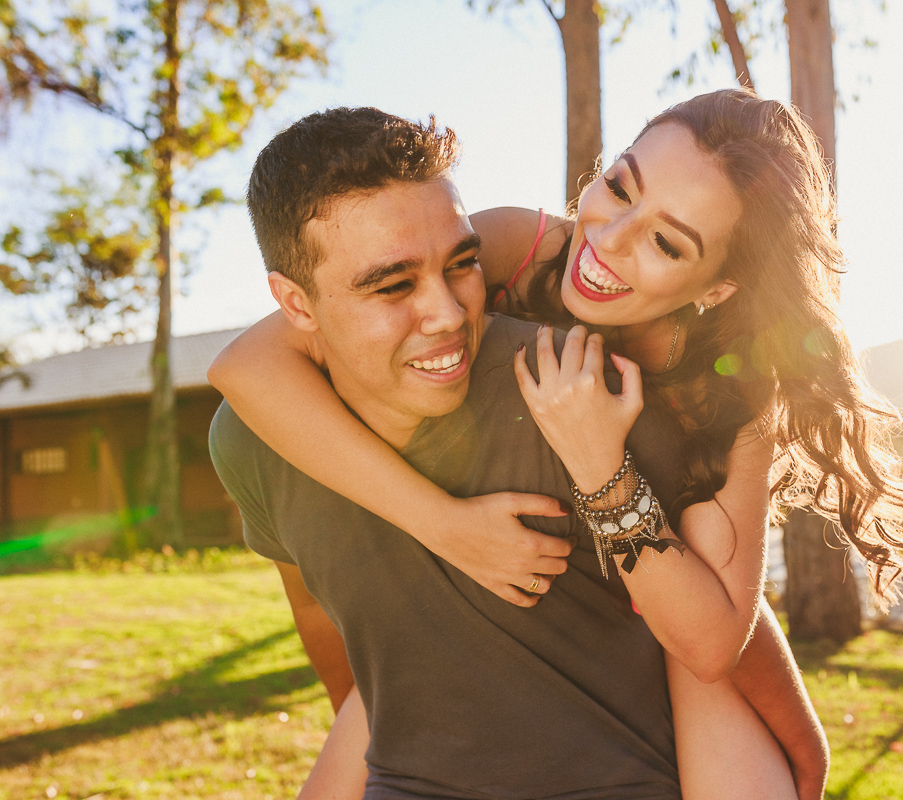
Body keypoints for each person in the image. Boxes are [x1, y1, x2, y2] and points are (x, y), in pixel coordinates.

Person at [212, 89, 903, 798]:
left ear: (718, 287)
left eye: (667, 243)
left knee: (787, 756)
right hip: (580, 597)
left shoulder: (729, 390)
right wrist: (445, 526)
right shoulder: (515, 245)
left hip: (669, 602)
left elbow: (713, 632)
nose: (608, 241)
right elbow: (245, 366)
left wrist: (601, 468)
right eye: (620, 186)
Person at [211, 106, 710, 799]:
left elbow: (712, 638)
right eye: (392, 286)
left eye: (462, 263)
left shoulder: (581, 395)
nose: (448, 313)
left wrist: (797, 755)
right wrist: (443, 525)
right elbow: (318, 607)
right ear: (295, 305)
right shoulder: (252, 438)